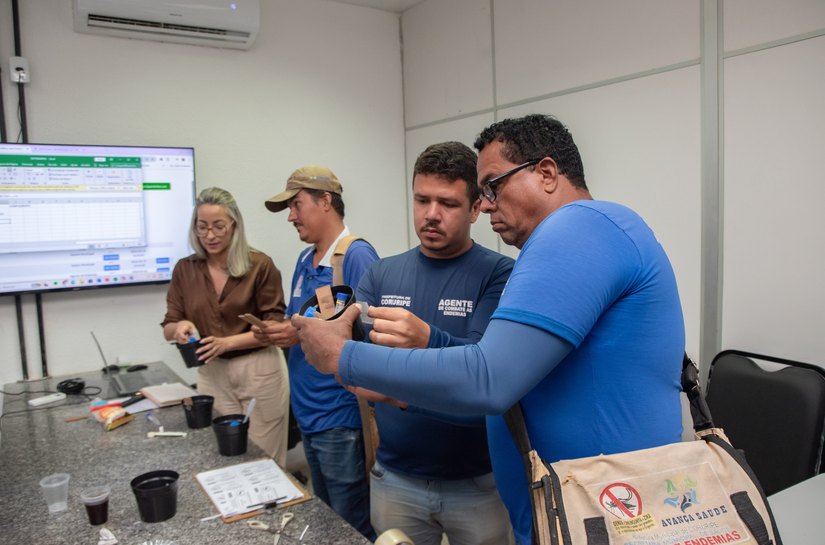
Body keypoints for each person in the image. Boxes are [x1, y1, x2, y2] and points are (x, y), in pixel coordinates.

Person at [292, 114, 686, 545]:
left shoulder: (578, 228)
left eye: (493, 186)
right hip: (574, 509)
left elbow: (489, 379)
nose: (489, 203)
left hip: (604, 515)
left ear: (547, 173)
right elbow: (505, 377)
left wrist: (344, 357)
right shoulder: (570, 238)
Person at [356, 141, 515, 545]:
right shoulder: (380, 275)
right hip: (395, 477)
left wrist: (421, 348)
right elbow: (359, 368)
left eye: (447, 203)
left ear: (477, 208)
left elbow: (483, 370)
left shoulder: (499, 275)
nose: (430, 214)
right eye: (421, 199)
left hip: (479, 483)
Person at [253, 166, 378, 540]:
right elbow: (309, 321)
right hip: (308, 414)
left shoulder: (355, 256)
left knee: (349, 522)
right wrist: (287, 332)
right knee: (325, 517)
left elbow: (371, 332)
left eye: (296, 205)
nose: (291, 216)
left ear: (326, 202)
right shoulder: (305, 261)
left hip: (339, 416)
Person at [162, 187, 290, 466]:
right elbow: (169, 325)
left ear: (234, 225)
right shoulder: (185, 269)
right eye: (202, 227)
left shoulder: (260, 265)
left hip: (259, 370)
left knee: (264, 459)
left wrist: (227, 342)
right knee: (227, 457)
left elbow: (274, 326)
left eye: (218, 226)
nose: (209, 235)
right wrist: (180, 326)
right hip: (212, 372)